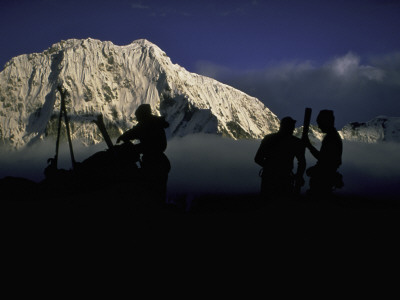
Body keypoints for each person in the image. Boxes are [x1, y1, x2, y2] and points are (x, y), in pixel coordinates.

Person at [116, 104, 171, 202]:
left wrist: (123, 137)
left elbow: (135, 132)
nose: (137, 120)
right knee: (160, 192)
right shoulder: (154, 122)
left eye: (138, 117)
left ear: (142, 115)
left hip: (153, 161)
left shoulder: (147, 123)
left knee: (151, 191)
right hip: (161, 161)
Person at [254, 117, 306, 198]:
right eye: (292, 127)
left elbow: (258, 159)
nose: (292, 129)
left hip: (269, 178)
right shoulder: (295, 142)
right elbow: (302, 162)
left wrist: (270, 168)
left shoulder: (269, 139)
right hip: (285, 179)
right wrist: (298, 176)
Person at [304, 110, 343, 196]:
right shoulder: (333, 136)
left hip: (323, 181)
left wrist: (309, 146)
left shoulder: (331, 138)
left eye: (320, 123)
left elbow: (324, 160)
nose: (318, 126)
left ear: (326, 122)